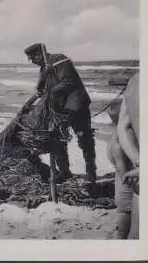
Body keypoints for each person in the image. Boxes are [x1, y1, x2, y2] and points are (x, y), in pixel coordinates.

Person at [24, 43, 96, 185]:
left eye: (32, 58)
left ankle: (91, 172)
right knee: (55, 138)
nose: (32, 62)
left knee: (83, 137)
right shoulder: (44, 68)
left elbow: (68, 82)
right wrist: (30, 102)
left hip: (76, 105)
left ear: (39, 54)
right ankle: (64, 171)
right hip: (61, 108)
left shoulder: (59, 59)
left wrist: (50, 93)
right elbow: (41, 90)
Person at [117, 72, 140, 239]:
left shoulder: (135, 81)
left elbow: (123, 126)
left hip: (135, 166)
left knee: (136, 230)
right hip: (132, 171)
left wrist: (139, 161)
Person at [107, 101, 134, 239]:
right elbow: (125, 176)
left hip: (121, 189)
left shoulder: (113, 138)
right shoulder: (118, 147)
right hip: (126, 192)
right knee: (124, 230)